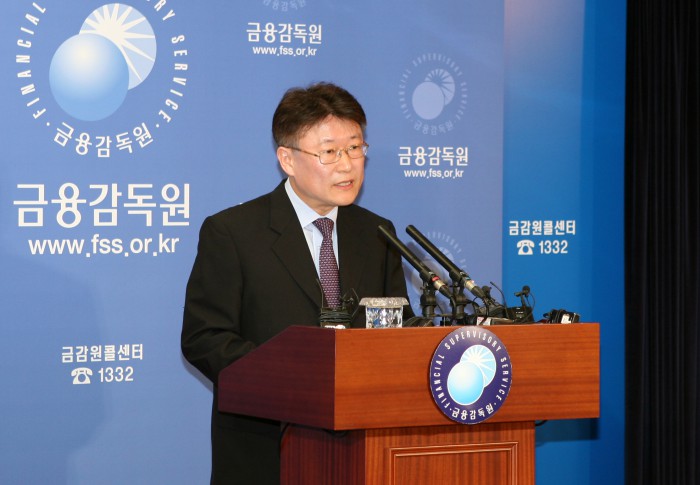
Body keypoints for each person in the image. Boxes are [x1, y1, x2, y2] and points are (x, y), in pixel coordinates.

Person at [181, 82, 412, 485]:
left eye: (355, 148)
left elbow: (397, 329)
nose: (347, 165)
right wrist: (297, 380)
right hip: (266, 450)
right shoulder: (234, 232)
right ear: (287, 159)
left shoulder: (377, 233)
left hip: (363, 450)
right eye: (329, 152)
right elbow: (205, 338)